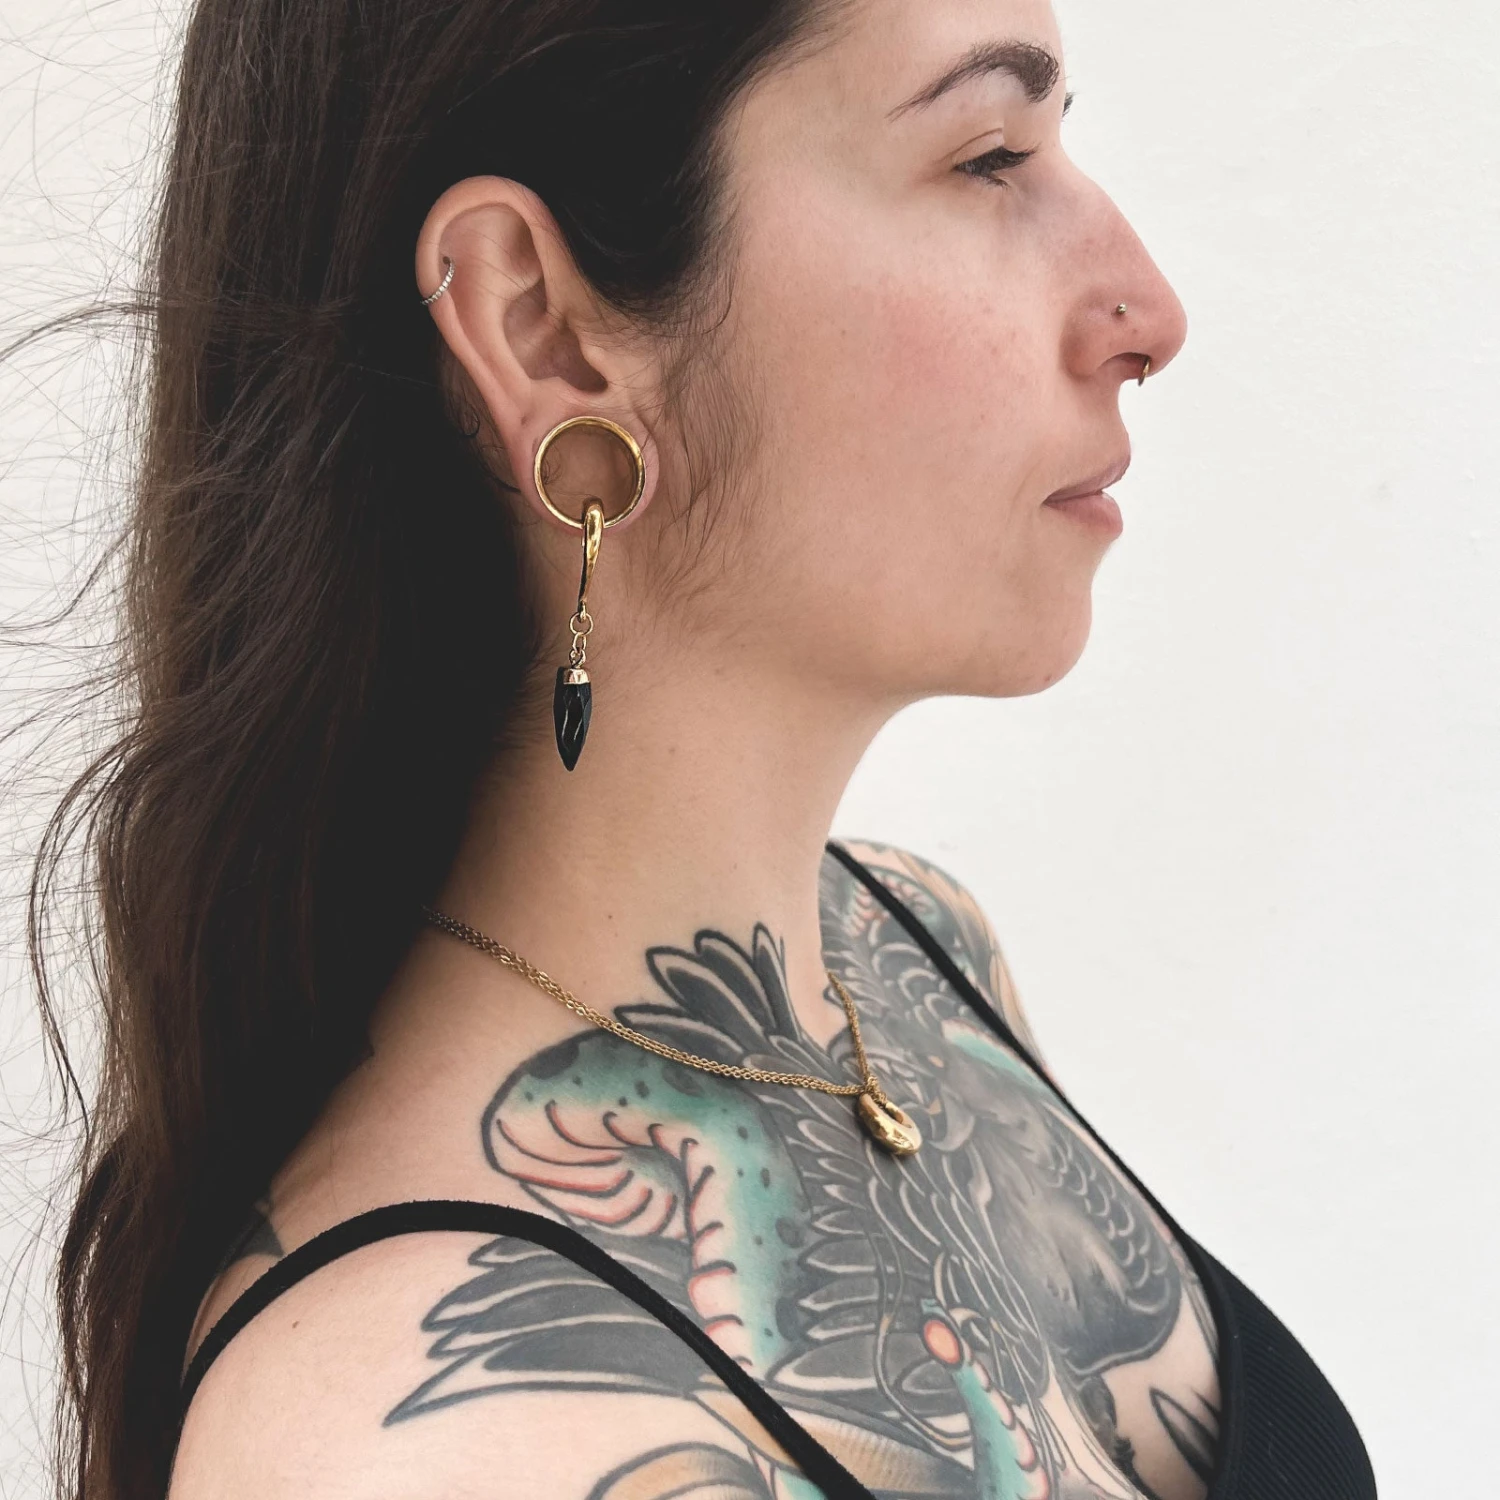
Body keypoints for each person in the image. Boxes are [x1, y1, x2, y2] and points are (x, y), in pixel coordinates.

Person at [37, 1, 1375, 1498]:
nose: (1149, 312)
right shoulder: (427, 1454)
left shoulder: (917, 949)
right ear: (543, 326)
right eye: (988, 158)